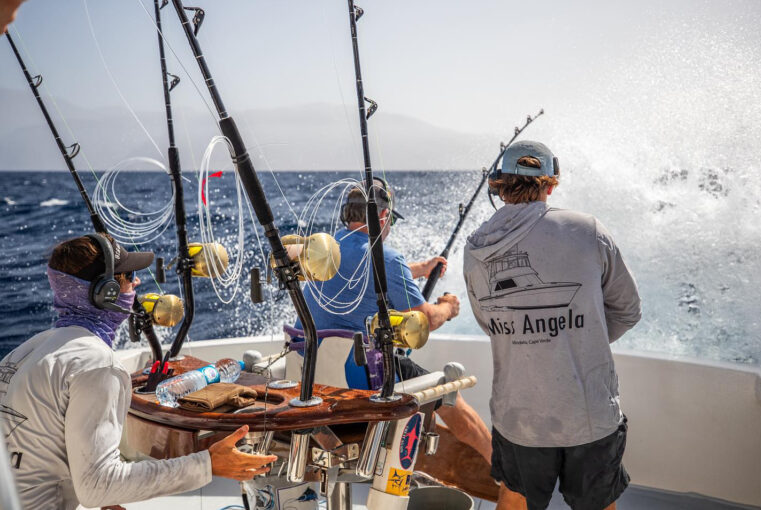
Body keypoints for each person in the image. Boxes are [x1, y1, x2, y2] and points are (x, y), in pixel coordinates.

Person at [0, 234, 277, 510]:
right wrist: (208, 463)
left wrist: (108, 500)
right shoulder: (96, 364)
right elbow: (98, 486)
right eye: (129, 275)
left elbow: (41, 448)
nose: (137, 283)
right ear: (105, 292)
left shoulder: (25, 352)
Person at [463, 141, 642, 510]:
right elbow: (628, 310)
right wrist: (574, 337)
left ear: (498, 184)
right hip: (589, 415)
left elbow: (490, 323)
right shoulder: (587, 229)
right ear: (551, 184)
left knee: (513, 498)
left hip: (519, 418)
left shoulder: (475, 245)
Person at [295, 177, 493, 464]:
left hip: (315, 382)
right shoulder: (387, 259)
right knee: (450, 391)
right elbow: (427, 319)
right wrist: (448, 306)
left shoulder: (325, 249)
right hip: (362, 382)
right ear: (384, 216)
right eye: (392, 222)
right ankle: (499, 466)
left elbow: (363, 271)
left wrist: (420, 269)